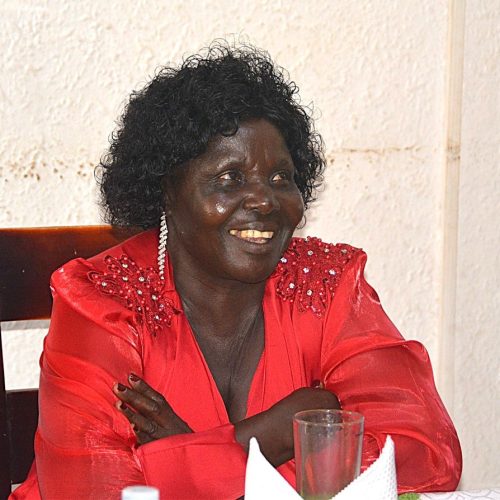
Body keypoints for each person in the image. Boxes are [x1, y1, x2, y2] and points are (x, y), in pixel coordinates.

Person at [12, 43, 461, 499]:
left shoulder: (326, 285)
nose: (264, 200)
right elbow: (94, 490)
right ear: (166, 192)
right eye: (230, 178)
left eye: (281, 178)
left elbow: (422, 451)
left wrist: (193, 453)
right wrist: (271, 436)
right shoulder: (102, 301)